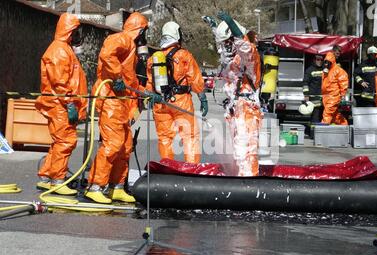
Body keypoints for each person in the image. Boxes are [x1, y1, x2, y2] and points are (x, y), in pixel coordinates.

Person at [86, 12, 152, 204]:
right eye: (144, 31)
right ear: (139, 30)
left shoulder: (130, 48)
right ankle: (95, 186)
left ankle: (116, 186)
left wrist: (145, 93)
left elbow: (130, 81)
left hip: (121, 102)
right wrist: (116, 78)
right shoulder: (122, 39)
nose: (144, 36)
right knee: (113, 144)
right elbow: (107, 54)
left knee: (125, 147)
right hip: (111, 100)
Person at [204, 12, 263, 177]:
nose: (226, 47)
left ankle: (249, 185)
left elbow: (244, 47)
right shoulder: (230, 58)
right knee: (238, 151)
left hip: (248, 109)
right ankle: (239, 181)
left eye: (228, 42)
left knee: (247, 150)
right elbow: (222, 50)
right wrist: (215, 28)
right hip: (235, 109)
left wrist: (232, 24)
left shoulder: (249, 57)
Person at [35, 13, 88, 196]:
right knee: (66, 141)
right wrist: (70, 104)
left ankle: (46, 177)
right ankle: (57, 180)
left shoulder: (64, 49)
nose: (77, 36)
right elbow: (59, 82)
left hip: (61, 104)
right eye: (75, 31)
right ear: (69, 31)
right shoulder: (59, 50)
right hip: (60, 105)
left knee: (59, 142)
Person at [146, 21, 206, 164]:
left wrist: (149, 99)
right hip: (181, 101)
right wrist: (202, 97)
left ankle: (167, 168)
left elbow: (149, 83)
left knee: (165, 138)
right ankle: (192, 170)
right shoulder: (184, 56)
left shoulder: (154, 58)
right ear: (177, 35)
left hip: (161, 103)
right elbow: (195, 79)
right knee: (189, 136)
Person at [321, 52, 349, 125]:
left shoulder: (339, 71)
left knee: (327, 113)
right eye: (325, 62)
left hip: (334, 96)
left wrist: (342, 96)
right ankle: (344, 126)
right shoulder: (326, 72)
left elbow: (343, 83)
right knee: (335, 116)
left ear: (332, 61)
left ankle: (322, 131)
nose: (326, 64)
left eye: (328, 62)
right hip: (326, 97)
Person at [302, 54, 324, 123]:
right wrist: (306, 95)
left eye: (321, 60)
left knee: (323, 117)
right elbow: (305, 83)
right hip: (314, 98)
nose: (319, 61)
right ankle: (314, 132)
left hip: (324, 98)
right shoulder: (309, 70)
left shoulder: (325, 70)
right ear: (314, 60)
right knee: (315, 116)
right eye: (318, 59)